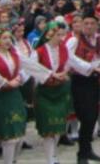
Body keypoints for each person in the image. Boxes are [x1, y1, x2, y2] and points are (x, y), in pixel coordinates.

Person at [66, 9, 100, 163]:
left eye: (92, 23)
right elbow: (69, 58)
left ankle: (86, 149)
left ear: (97, 25)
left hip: (94, 81)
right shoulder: (74, 40)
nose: (89, 26)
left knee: (93, 116)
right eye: (86, 24)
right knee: (86, 116)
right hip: (80, 81)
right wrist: (90, 67)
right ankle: (82, 154)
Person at [0, 27, 29, 164]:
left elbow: (25, 69)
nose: (8, 41)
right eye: (4, 38)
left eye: (9, 38)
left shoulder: (16, 56)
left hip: (15, 96)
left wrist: (18, 79)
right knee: (8, 135)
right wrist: (6, 83)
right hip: (1, 98)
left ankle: (14, 160)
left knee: (19, 132)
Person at [35, 21, 74, 164]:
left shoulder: (64, 49)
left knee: (58, 126)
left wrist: (66, 72)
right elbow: (34, 71)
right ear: (49, 35)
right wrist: (50, 76)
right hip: (45, 93)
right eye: (58, 35)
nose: (61, 38)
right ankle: (50, 159)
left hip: (60, 92)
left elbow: (72, 62)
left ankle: (54, 155)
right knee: (48, 127)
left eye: (63, 34)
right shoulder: (39, 51)